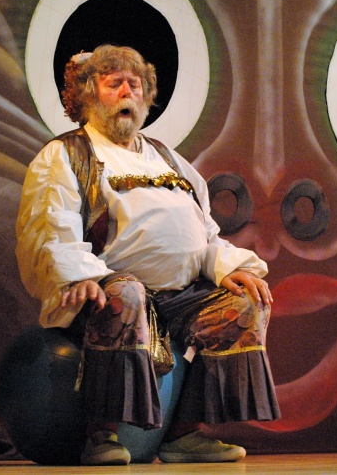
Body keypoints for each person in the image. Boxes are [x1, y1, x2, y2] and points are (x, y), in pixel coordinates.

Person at [15, 45, 280, 466]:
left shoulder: (168, 159)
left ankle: (183, 434)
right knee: (127, 296)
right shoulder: (67, 154)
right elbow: (51, 225)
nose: (127, 93)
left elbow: (204, 232)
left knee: (244, 304)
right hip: (109, 287)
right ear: (89, 94)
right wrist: (81, 275)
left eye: (134, 85)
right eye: (114, 84)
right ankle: (101, 435)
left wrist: (222, 266)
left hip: (180, 295)